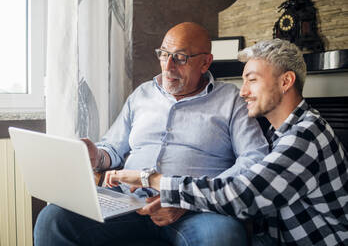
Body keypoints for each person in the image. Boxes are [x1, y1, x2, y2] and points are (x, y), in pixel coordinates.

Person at [34, 22, 269, 246]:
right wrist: (96, 155)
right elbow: (114, 148)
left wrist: (190, 198)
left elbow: (254, 159)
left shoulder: (231, 99)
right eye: (164, 54)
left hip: (194, 209)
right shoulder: (142, 94)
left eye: (180, 58)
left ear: (205, 63)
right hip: (128, 202)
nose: (168, 66)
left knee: (223, 237)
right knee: (53, 219)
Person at [107, 39, 348, 246]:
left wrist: (153, 179)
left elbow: (243, 195)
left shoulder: (305, 137)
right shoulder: (284, 134)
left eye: (252, 80)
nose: (243, 92)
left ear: (286, 82)